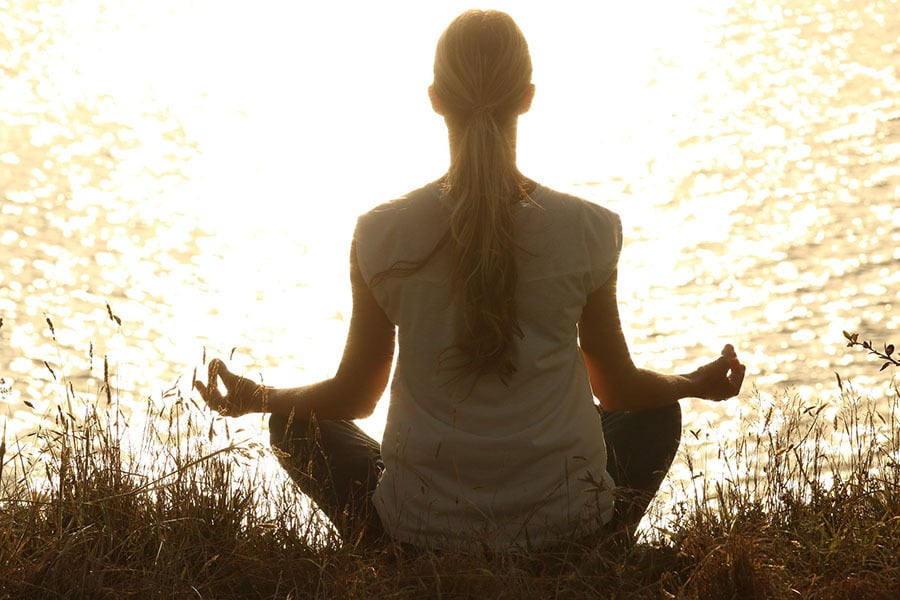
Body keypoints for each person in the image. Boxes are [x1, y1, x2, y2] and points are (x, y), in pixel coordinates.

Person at [194, 9, 745, 552]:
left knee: (294, 425)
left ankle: (391, 553)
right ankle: (588, 546)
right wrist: (692, 384)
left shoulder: (380, 233)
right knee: (655, 412)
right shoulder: (589, 229)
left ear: (435, 98)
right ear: (528, 97)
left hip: (420, 532)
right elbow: (618, 389)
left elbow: (355, 397)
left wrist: (257, 397)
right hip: (566, 525)